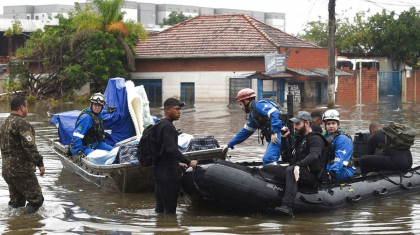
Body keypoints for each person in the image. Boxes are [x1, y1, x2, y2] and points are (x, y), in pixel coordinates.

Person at [274, 111, 328, 216]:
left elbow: (314, 155)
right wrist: (284, 139)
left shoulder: (315, 138)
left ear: (307, 124)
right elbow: (285, 157)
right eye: (294, 124)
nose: (295, 127)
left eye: (298, 124)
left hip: (312, 177)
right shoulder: (299, 139)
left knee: (291, 169)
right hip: (298, 172)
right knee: (268, 168)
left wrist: (298, 165)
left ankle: (287, 206)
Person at [0, 96, 45, 214]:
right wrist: (40, 163)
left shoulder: (3, 124)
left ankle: (14, 227)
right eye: (27, 107)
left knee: (17, 202)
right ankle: (26, 227)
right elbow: (30, 146)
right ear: (22, 107)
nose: (27, 109)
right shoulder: (22, 123)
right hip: (21, 170)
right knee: (37, 200)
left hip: (7, 170)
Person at [153, 98, 198, 214]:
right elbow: (171, 150)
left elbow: (161, 151)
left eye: (180, 109)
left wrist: (177, 164)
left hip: (158, 173)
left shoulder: (158, 124)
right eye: (177, 109)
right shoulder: (168, 127)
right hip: (167, 175)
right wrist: (189, 162)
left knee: (159, 210)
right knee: (170, 213)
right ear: (168, 109)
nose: (180, 112)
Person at [222, 88, 283, 165]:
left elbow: (275, 114)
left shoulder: (259, 105)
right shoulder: (254, 114)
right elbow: (245, 132)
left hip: (280, 133)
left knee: (268, 159)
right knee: (271, 159)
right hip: (277, 134)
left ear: (246, 101)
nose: (241, 107)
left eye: (241, 104)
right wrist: (229, 145)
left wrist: (274, 132)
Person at [322, 109, 355, 180]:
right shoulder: (325, 135)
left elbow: (339, 159)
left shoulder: (343, 139)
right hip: (329, 164)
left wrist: (331, 173)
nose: (331, 126)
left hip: (343, 169)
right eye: (328, 124)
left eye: (333, 123)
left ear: (338, 124)